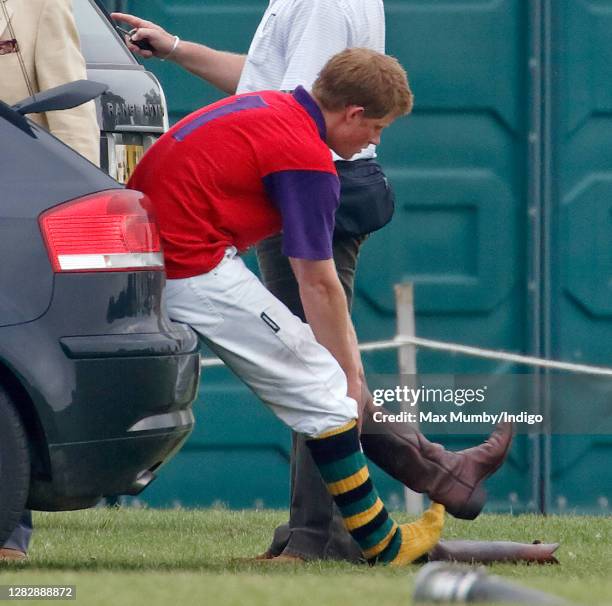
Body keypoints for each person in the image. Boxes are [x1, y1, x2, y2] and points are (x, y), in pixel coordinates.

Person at [112, 2, 512, 563]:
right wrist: (349, 375)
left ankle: (393, 510)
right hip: (190, 267)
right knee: (326, 391)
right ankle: (384, 544)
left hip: (167, 253)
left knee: (316, 383)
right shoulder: (308, 158)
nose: (372, 141)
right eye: (375, 128)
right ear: (351, 114)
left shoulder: (270, 105)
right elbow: (318, 284)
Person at [0, 0, 100, 561]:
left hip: (13, 211)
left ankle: (7, 529)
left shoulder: (39, 7)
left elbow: (71, 122)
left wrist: (80, 203)